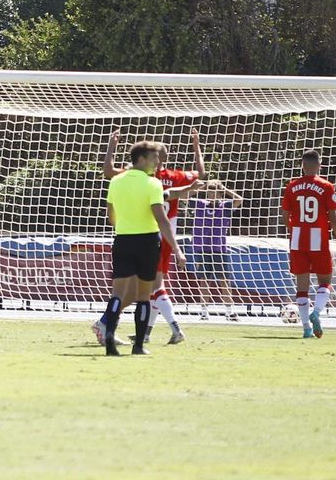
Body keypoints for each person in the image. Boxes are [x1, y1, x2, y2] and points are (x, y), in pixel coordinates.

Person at [96, 129, 202, 345]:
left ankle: (128, 329)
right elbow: (194, 177)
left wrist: (111, 146)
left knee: (138, 290)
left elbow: (109, 175)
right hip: (154, 238)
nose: (157, 162)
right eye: (155, 157)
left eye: (158, 158)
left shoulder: (136, 178)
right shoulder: (162, 178)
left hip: (134, 237)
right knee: (145, 289)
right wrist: (196, 147)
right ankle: (166, 329)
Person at [282, 148, 336, 338]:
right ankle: (316, 313)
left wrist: (294, 231)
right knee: (325, 282)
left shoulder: (291, 187)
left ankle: (306, 329)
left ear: (302, 165)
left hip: (298, 239)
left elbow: (285, 216)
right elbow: (333, 218)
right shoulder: (326, 186)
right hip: (318, 238)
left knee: (301, 286)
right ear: (319, 165)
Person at [184, 179, 244, 296]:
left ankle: (229, 311)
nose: (211, 195)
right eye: (209, 192)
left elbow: (239, 199)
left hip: (218, 249)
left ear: (220, 193)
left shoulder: (225, 206)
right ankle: (204, 312)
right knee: (204, 280)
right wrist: (202, 187)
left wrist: (224, 189)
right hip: (202, 248)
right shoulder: (201, 204)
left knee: (223, 280)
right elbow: (184, 197)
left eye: (214, 192)